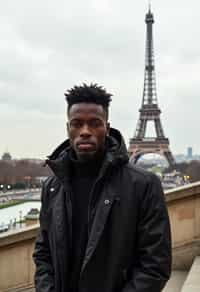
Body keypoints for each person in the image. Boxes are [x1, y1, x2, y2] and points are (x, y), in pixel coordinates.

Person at [33, 83, 171, 292]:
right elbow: (43, 253)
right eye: (77, 124)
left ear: (107, 127)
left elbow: (155, 265)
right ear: (67, 128)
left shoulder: (144, 185)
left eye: (94, 123)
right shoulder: (52, 187)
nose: (85, 131)